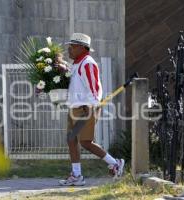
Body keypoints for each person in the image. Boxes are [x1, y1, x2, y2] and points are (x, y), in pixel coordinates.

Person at [57, 33, 125, 186]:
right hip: (74, 107)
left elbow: (94, 88)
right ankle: (76, 175)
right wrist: (63, 68)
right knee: (71, 140)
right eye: (70, 46)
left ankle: (115, 163)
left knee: (86, 142)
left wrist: (91, 106)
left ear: (82, 48)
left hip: (85, 109)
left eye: (72, 46)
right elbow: (74, 78)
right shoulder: (77, 63)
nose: (69, 49)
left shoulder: (88, 63)